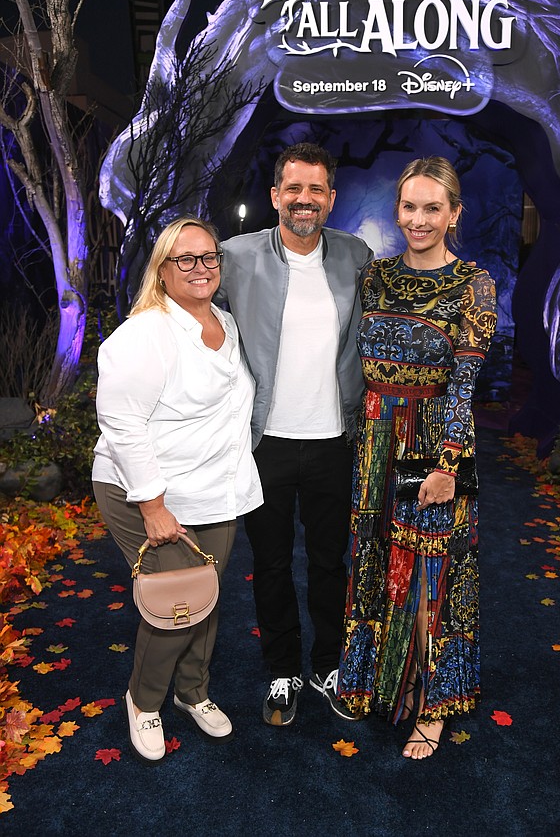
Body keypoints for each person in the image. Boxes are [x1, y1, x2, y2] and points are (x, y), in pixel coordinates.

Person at [336, 156, 497, 759]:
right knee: (376, 558)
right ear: (396, 209)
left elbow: (463, 386)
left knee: (430, 571)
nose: (419, 219)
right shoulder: (374, 276)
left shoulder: (473, 285)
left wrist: (447, 465)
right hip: (375, 436)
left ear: (454, 213)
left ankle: (433, 705)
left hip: (431, 440)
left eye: (433, 208)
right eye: (410, 206)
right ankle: (374, 683)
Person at [92, 216, 262, 763]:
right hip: (146, 493)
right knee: (173, 605)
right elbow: (121, 424)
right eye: (184, 259)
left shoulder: (228, 325)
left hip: (215, 489)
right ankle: (143, 703)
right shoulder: (145, 334)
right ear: (162, 271)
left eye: (209, 257)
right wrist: (154, 506)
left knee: (204, 602)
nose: (200, 268)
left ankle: (193, 693)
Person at [217, 142, 373, 726]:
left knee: (331, 562)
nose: (303, 200)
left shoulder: (356, 256)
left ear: (331, 199)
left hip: (335, 440)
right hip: (266, 445)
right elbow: (189, 301)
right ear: (276, 195)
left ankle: (327, 664)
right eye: (293, 188)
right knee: (273, 562)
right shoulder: (235, 256)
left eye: (316, 190)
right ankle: (282, 668)